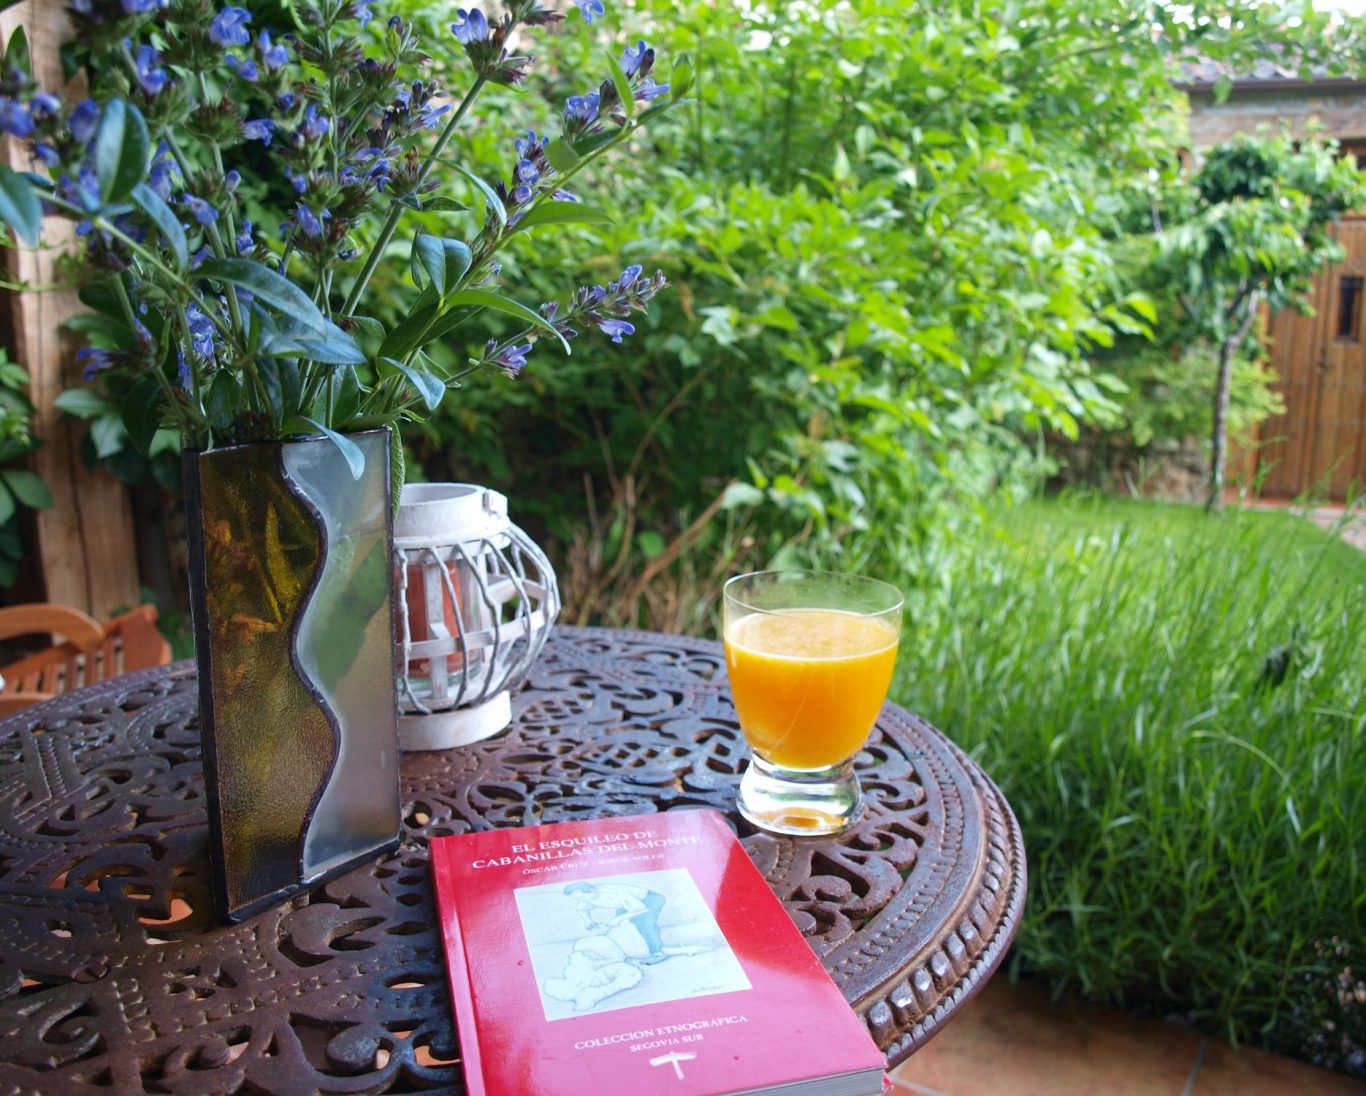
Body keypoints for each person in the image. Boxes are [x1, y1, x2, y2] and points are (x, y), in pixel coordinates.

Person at [564, 881, 667, 963]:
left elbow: (642, 909)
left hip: (649, 899)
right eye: (577, 899)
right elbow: (581, 909)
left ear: (592, 891)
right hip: (627, 904)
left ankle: (657, 953)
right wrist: (588, 921)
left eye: (581, 897)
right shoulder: (585, 898)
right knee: (621, 926)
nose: (581, 901)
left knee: (644, 924)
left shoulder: (614, 894)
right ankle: (635, 949)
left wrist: (617, 919)